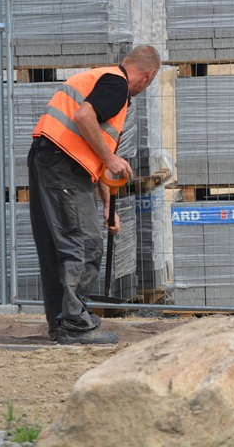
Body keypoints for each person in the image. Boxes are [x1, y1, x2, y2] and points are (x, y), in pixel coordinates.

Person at [28, 45, 160, 345]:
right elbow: (84, 116)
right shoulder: (117, 85)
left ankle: (61, 325)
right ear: (148, 75)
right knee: (84, 243)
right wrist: (112, 160)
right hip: (62, 166)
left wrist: (107, 207)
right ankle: (75, 324)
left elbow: (96, 157)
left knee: (55, 247)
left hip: (50, 161)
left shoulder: (100, 78)